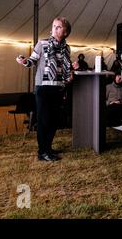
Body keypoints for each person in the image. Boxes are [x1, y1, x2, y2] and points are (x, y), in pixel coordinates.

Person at [16, 17, 76, 162]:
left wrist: (71, 72)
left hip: (58, 87)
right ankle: (42, 152)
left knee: (54, 120)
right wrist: (24, 61)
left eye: (59, 26)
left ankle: (48, 148)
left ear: (66, 31)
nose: (55, 28)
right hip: (43, 87)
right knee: (44, 120)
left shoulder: (66, 48)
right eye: (54, 26)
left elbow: (66, 68)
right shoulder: (42, 44)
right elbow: (32, 61)